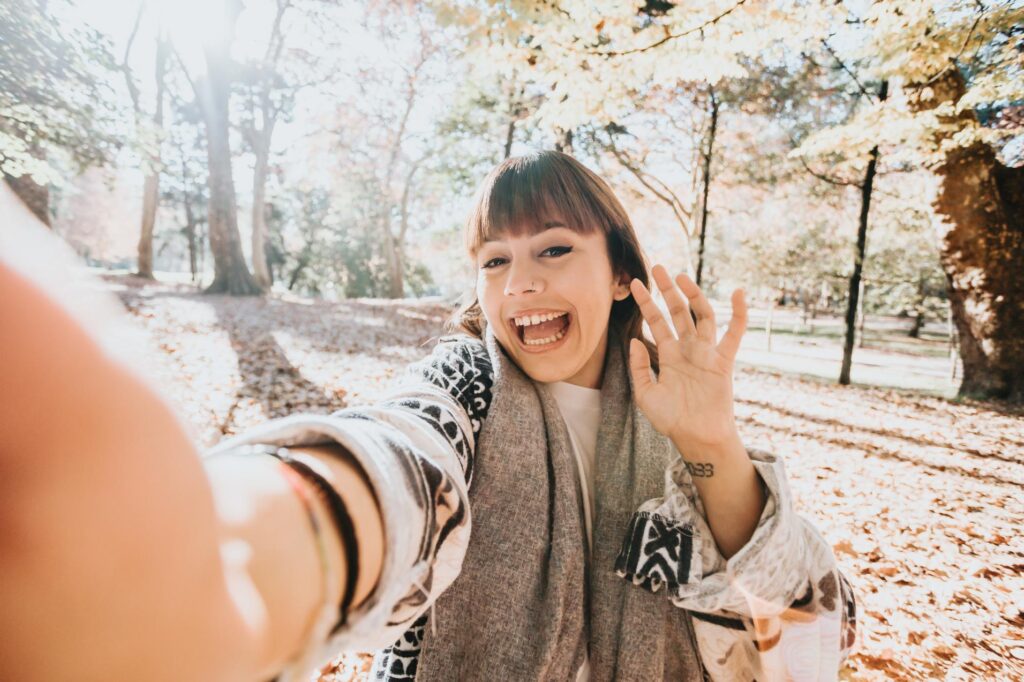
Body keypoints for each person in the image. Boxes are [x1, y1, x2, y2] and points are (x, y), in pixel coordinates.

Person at [0, 151, 855, 682]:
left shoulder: (680, 416)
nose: (520, 283)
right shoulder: (469, 383)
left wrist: (711, 443)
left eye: (554, 248)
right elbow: (405, 449)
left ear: (622, 271)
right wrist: (246, 566)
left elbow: (820, 632)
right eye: (495, 260)